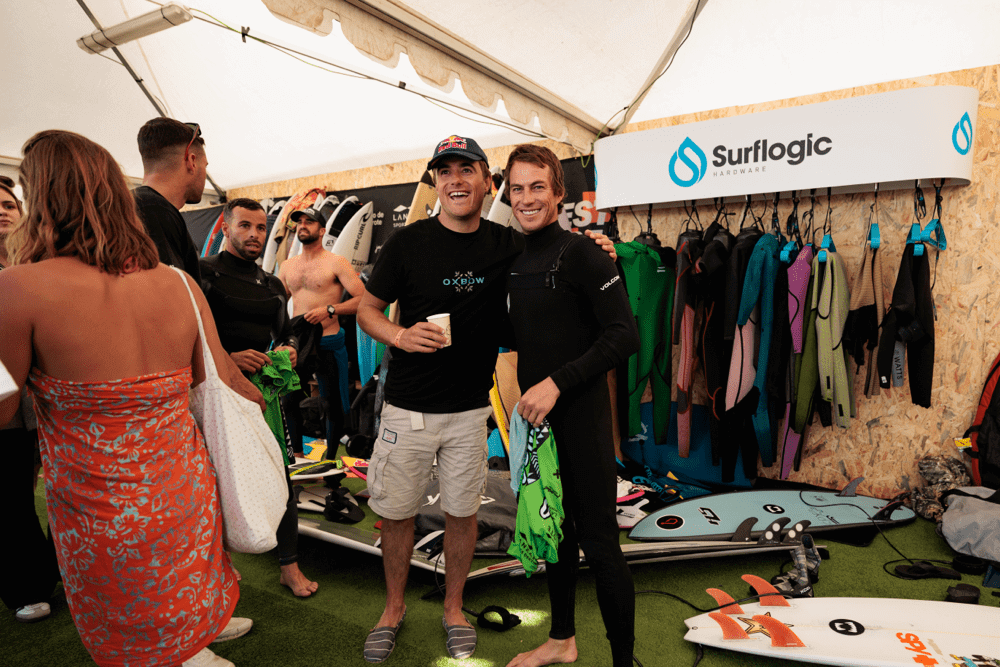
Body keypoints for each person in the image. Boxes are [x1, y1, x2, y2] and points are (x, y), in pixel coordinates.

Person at [357, 135, 616, 663]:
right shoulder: (407, 243)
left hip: (471, 410)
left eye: (466, 170)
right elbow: (366, 309)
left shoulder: (508, 244)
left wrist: (598, 249)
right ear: (435, 182)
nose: (455, 180)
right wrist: (399, 335)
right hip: (407, 407)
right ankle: (392, 609)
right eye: (445, 171)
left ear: (485, 182)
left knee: (462, 513)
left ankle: (454, 609)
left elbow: (558, 254)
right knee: (398, 514)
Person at [0, 130, 251, 667]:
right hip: (185, 490)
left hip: (99, 508)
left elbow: (1, 409)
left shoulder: (17, 288)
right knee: (181, 608)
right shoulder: (179, 284)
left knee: (128, 640)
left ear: (38, 196)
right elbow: (220, 381)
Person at [503, 145, 639, 667]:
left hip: (580, 418)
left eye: (538, 187)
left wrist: (557, 383)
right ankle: (562, 640)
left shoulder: (583, 254)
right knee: (554, 531)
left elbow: (624, 335)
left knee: (600, 543)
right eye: (518, 188)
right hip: (539, 426)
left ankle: (623, 662)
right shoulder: (514, 259)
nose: (527, 198)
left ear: (559, 194)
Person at [199, 198, 321, 598]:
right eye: (245, 226)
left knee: (280, 476)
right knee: (211, 483)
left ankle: (290, 567)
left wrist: (288, 348)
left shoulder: (271, 284)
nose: (254, 234)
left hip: (260, 396)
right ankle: (218, 568)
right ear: (225, 227)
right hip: (213, 393)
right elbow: (186, 336)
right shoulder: (202, 274)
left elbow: (286, 331)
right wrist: (227, 358)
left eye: (261, 228)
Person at [0, 175, 61, 623]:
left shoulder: (44, 264)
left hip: (50, 402)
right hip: (5, 406)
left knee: (67, 492)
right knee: (9, 497)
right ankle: (25, 585)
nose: (2, 211)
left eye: (8, 204)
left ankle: (68, 571)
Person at [277, 206, 367, 451]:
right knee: (288, 401)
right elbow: (278, 303)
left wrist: (330, 309)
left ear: (322, 230)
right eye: (299, 222)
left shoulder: (336, 262)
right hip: (298, 343)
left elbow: (363, 299)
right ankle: (296, 455)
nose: (302, 226)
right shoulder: (287, 266)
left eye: (309, 221)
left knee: (330, 404)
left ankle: (330, 461)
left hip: (328, 341)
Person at [134, 117, 207, 282]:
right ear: (192, 161)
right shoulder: (154, 210)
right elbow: (167, 289)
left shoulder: (132, 203)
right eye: (205, 166)